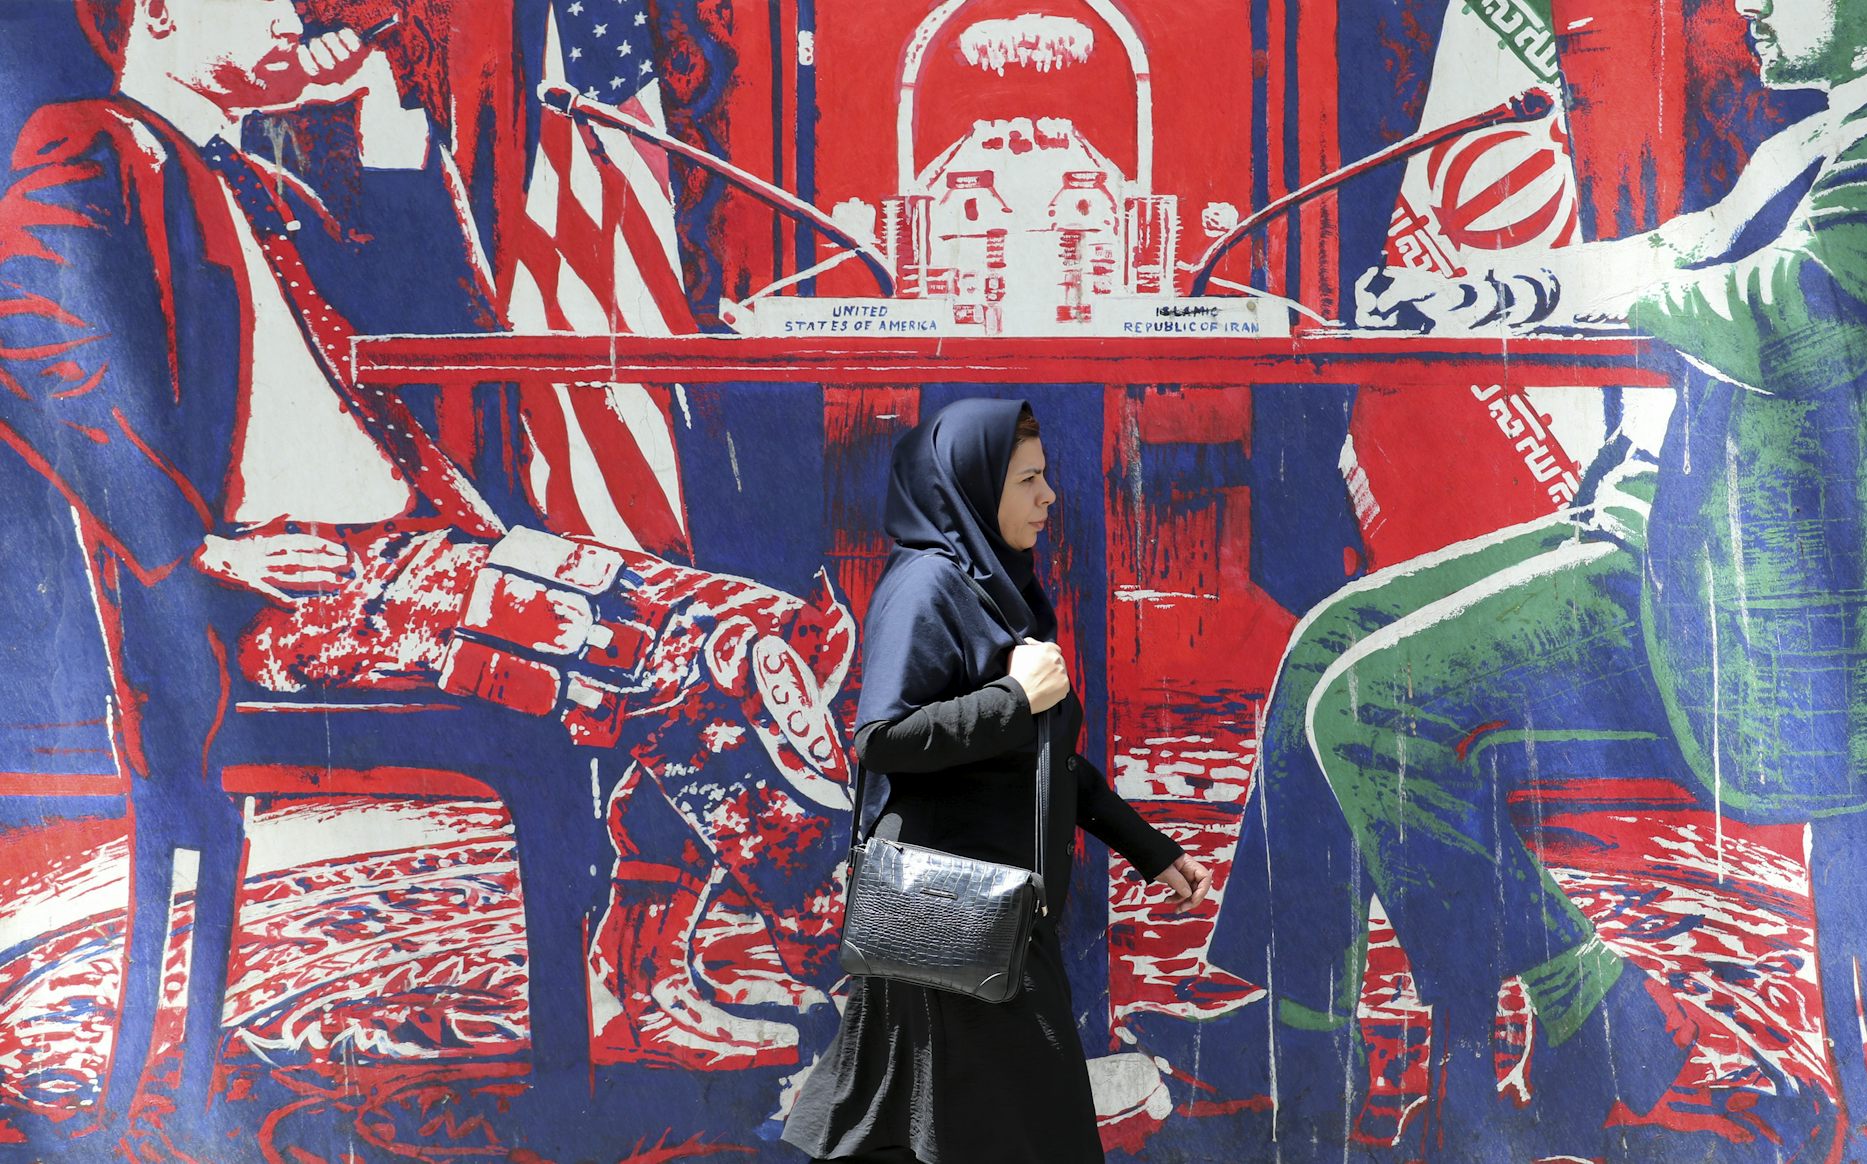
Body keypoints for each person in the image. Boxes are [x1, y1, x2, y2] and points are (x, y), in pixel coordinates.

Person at [0, 0, 854, 1158]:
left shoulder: (254, 184)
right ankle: (901, 1003)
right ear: (161, 9)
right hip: (286, 599)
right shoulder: (91, 145)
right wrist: (198, 548)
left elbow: (441, 308)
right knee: (692, 652)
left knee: (777, 631)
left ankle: (653, 956)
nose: (300, 17)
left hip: (415, 558)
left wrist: (382, 116)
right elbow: (40, 343)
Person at [1230, 0, 1867, 1156]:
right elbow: (1671, 255)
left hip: (1742, 622)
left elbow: (1789, 317)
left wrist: (1639, 292)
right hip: (1663, 543)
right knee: (1320, 645)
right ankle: (1305, 1047)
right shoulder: (1815, 139)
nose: (1746, 3)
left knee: (1362, 703)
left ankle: (1564, 1004)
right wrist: (1489, 295)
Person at [779, 397, 1214, 1164]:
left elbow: (1045, 760)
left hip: (997, 921)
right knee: (1026, 1134)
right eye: (1029, 480)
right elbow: (881, 738)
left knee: (965, 1135)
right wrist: (1015, 698)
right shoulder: (927, 587)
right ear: (974, 489)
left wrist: (1148, 850)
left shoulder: (995, 591)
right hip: (952, 912)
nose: (1049, 497)